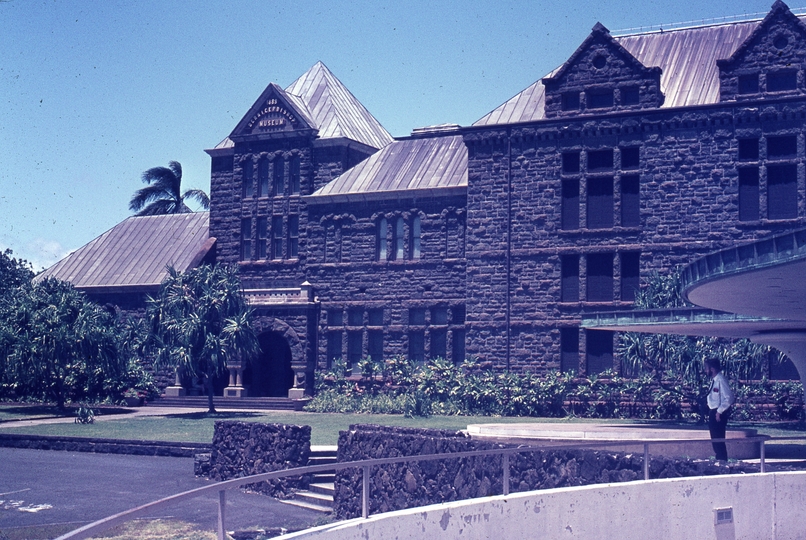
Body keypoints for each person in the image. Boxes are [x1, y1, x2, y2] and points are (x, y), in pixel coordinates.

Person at [705, 358, 735, 462]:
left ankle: (722, 460)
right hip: (713, 411)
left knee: (719, 438)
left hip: (718, 412)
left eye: (707, 368)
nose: (706, 371)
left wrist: (719, 411)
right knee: (715, 439)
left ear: (712, 369)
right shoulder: (714, 380)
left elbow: (729, 397)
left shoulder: (721, 380)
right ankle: (719, 459)